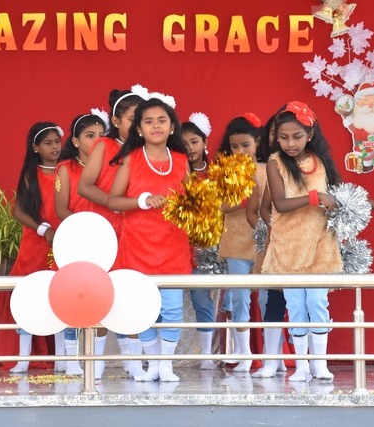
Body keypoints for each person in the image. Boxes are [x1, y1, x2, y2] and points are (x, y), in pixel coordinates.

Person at [108, 96, 191, 382]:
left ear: (172, 127)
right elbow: (113, 201)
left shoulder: (182, 161)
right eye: (148, 121)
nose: (156, 126)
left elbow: (193, 202)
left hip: (173, 245)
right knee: (142, 308)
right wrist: (143, 201)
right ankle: (153, 363)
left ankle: (164, 366)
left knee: (172, 308)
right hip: (137, 245)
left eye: (162, 120)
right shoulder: (130, 159)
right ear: (139, 129)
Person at [261, 100, 343, 382]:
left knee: (317, 303)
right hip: (289, 247)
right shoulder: (275, 163)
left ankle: (320, 364)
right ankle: (302, 366)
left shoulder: (321, 163)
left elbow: (340, 198)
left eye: (296, 136)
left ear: (310, 134)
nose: (290, 143)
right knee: (295, 307)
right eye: (283, 137)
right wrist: (315, 197)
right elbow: (280, 204)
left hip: (319, 244)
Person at [77, 89, 146, 378]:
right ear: (116, 121)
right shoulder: (104, 146)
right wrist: (114, 203)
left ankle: (133, 362)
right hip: (104, 228)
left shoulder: (147, 148)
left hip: (136, 229)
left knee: (130, 293)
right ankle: (96, 361)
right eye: (132, 118)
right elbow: (85, 186)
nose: (139, 124)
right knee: (101, 293)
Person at [8, 122, 65, 374]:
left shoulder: (67, 171)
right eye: (48, 143)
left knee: (61, 298)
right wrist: (44, 230)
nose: (54, 147)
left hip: (64, 242)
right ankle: (23, 358)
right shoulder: (32, 175)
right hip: (36, 243)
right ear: (35, 148)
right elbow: (18, 210)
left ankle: (62, 357)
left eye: (57, 142)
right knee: (29, 299)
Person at [55, 111, 107, 378]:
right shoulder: (66, 168)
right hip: (76, 241)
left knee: (104, 297)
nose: (97, 140)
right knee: (74, 296)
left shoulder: (111, 166)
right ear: (75, 141)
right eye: (89, 135)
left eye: (101, 135)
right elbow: (61, 208)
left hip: (107, 241)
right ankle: (72, 358)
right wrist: (83, 229)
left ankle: (98, 360)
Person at [216, 113, 262, 372]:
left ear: (257, 142)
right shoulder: (226, 171)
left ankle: (273, 355)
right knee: (239, 298)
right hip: (235, 241)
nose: (240, 151)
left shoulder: (268, 169)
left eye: (246, 145)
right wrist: (246, 201)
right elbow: (220, 205)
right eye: (235, 146)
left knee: (267, 299)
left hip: (264, 242)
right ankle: (245, 354)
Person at [248, 108, 290, 378]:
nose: (284, 140)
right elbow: (264, 208)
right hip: (279, 246)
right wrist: (275, 228)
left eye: (293, 134)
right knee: (274, 300)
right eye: (278, 133)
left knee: (309, 304)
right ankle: (272, 360)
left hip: (308, 248)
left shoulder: (315, 164)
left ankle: (311, 363)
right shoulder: (271, 167)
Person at [181, 112, 219, 370]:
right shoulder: (174, 172)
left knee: (202, 298)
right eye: (184, 143)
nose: (190, 148)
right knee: (166, 300)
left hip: (205, 246)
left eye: (194, 141)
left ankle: (206, 354)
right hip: (176, 244)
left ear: (205, 142)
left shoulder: (216, 174)